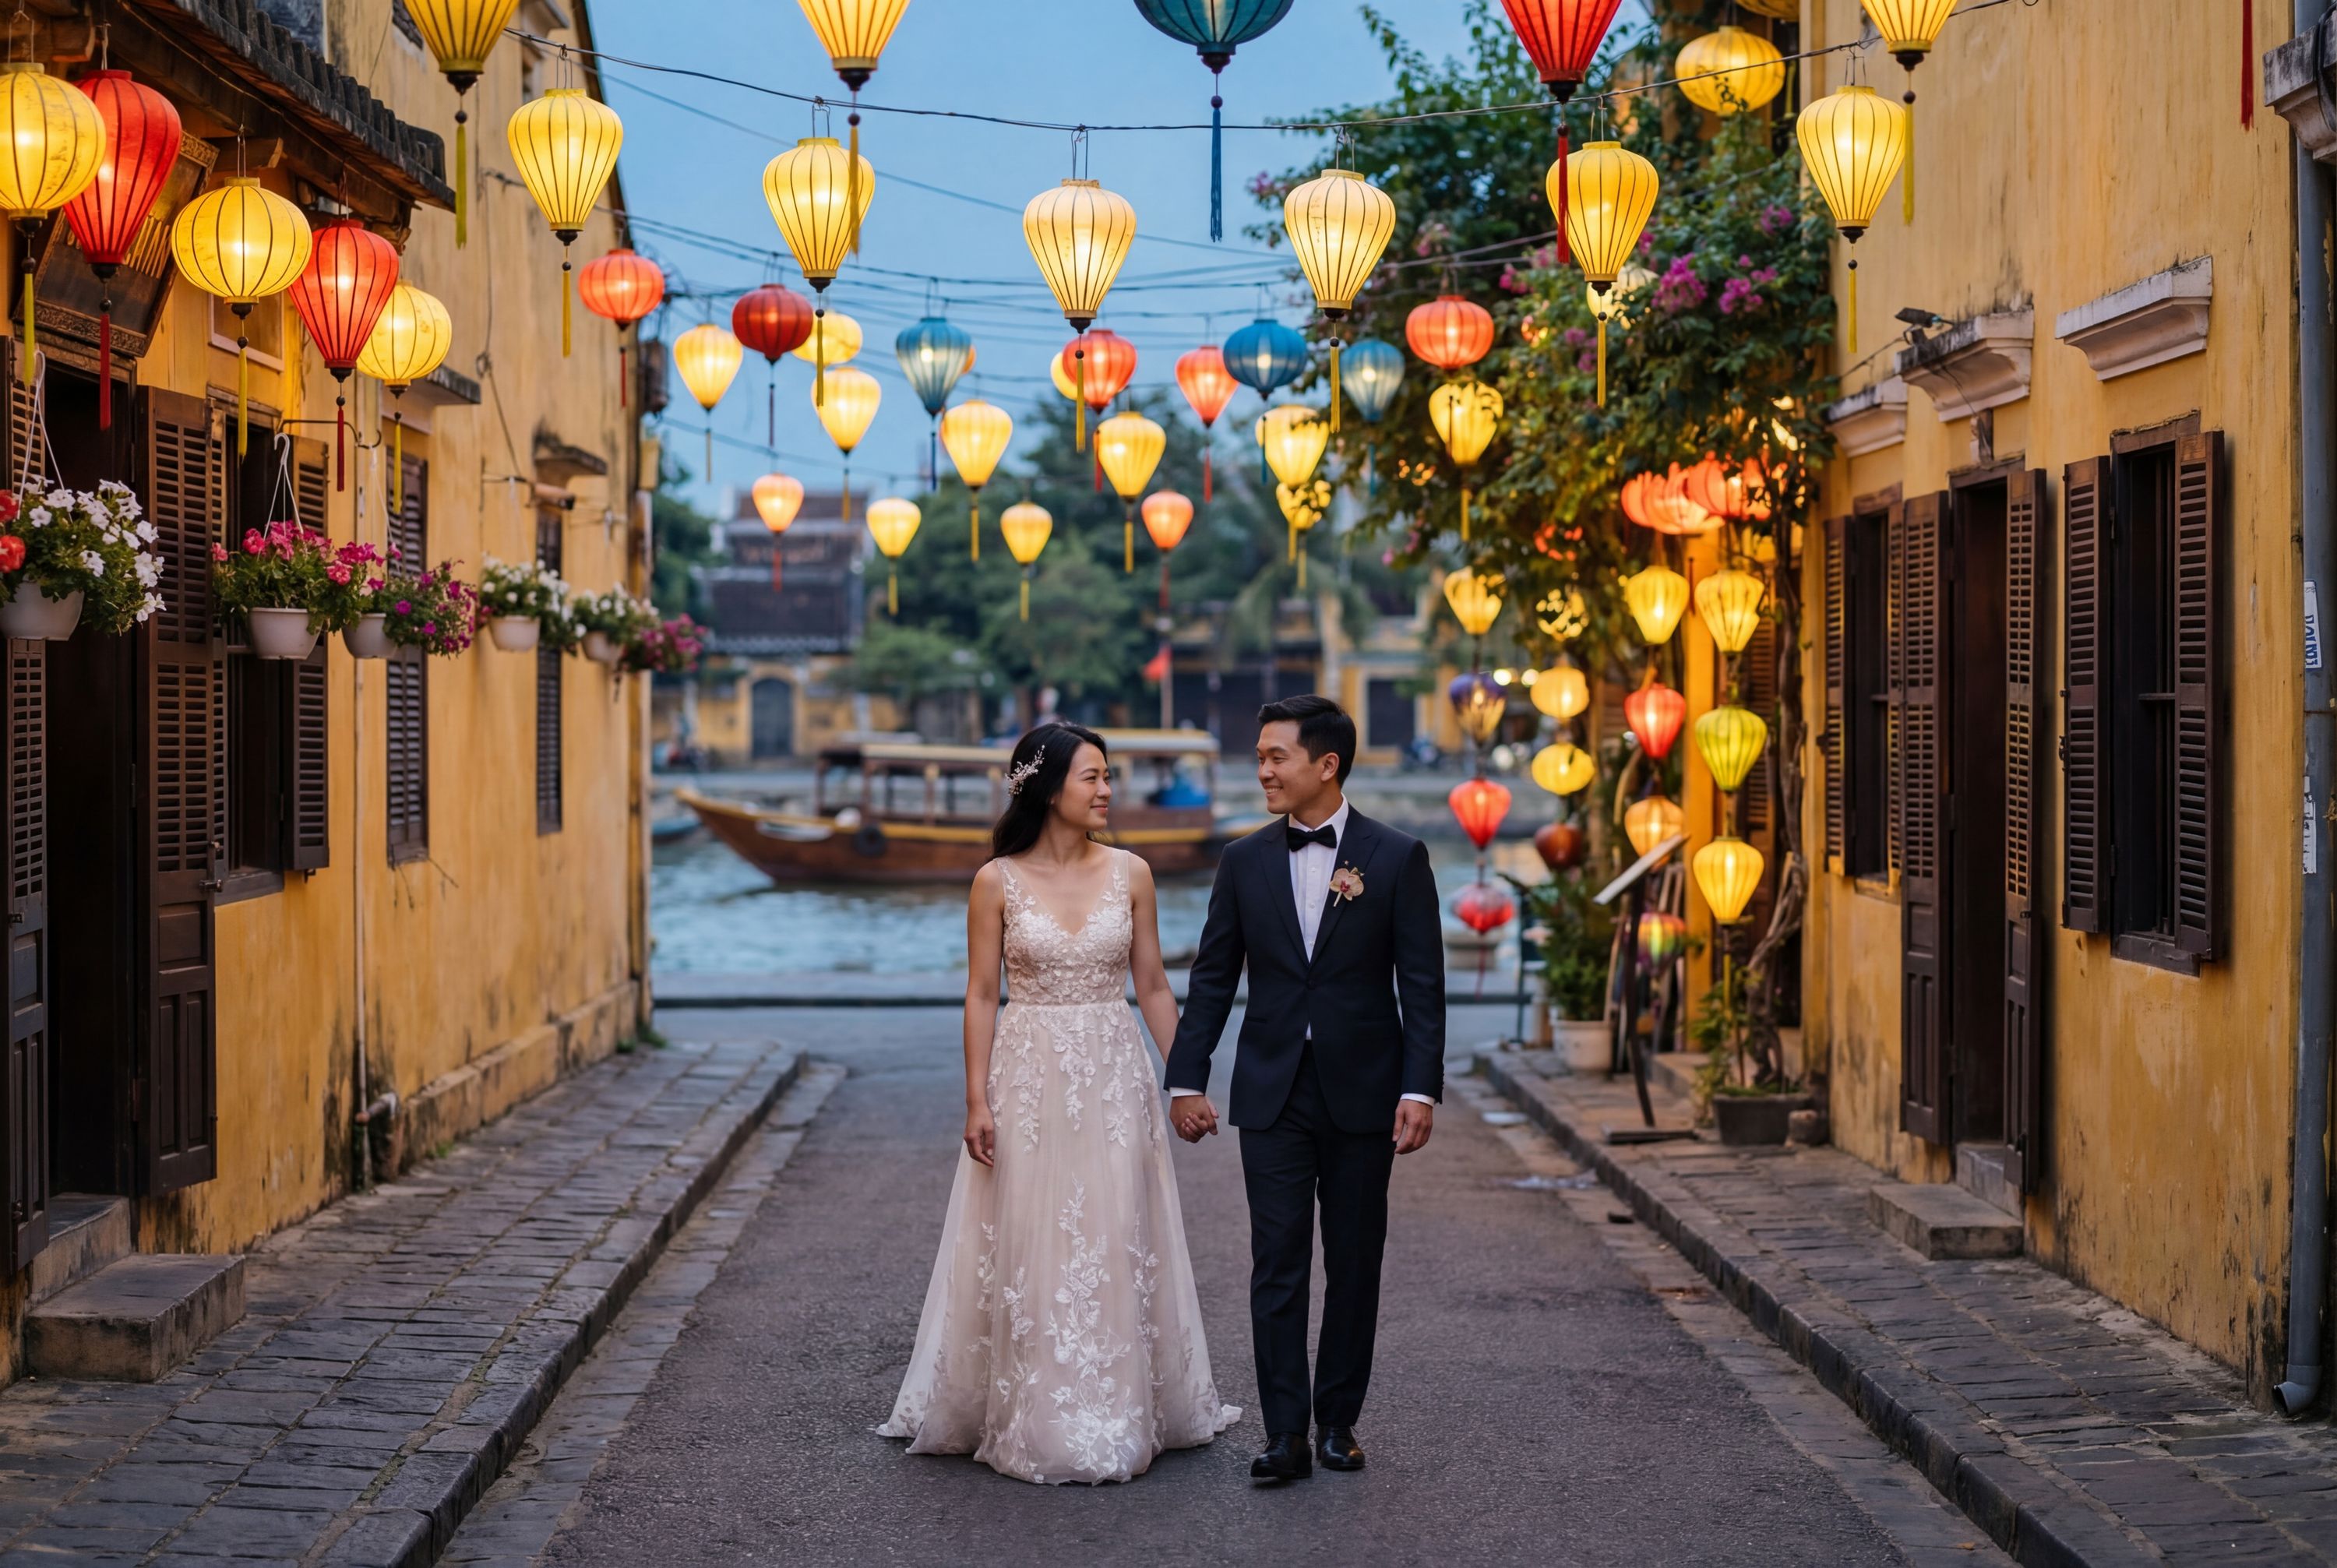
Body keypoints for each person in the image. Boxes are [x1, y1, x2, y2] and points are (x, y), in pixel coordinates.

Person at [879, 721, 1239, 1485]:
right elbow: (982, 994)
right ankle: (1028, 1403)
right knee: (1029, 1230)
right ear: (1048, 789)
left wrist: (1186, 1081)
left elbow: (1152, 985)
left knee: (1114, 1225)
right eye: (1093, 777)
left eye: (1109, 776)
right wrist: (976, 1100)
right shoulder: (995, 881)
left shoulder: (1133, 872)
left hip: (1113, 1071)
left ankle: (1120, 1400)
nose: (1108, 790)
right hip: (1027, 1072)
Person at [1163, 694, 1444, 1483]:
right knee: (1277, 1260)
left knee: (1354, 1261)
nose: (1262, 770)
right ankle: (1284, 1431)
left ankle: (1337, 1422)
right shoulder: (1243, 860)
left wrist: (1420, 1090)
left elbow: (1422, 986)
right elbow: (1213, 979)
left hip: (1365, 1090)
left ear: (1326, 764)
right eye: (1259, 756)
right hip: (1272, 1092)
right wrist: (1186, 1077)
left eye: (1275, 756)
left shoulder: (1398, 857)